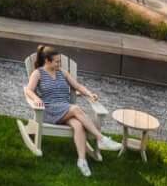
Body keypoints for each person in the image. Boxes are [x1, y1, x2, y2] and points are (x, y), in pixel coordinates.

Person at [24, 44, 123, 177]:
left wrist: (89, 93)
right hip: (48, 111)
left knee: (78, 125)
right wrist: (36, 98)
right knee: (76, 108)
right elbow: (28, 90)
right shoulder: (38, 73)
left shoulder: (62, 72)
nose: (59, 63)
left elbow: (77, 86)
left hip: (64, 109)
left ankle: (82, 161)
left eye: (60, 60)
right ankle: (101, 138)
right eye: (57, 61)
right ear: (47, 60)